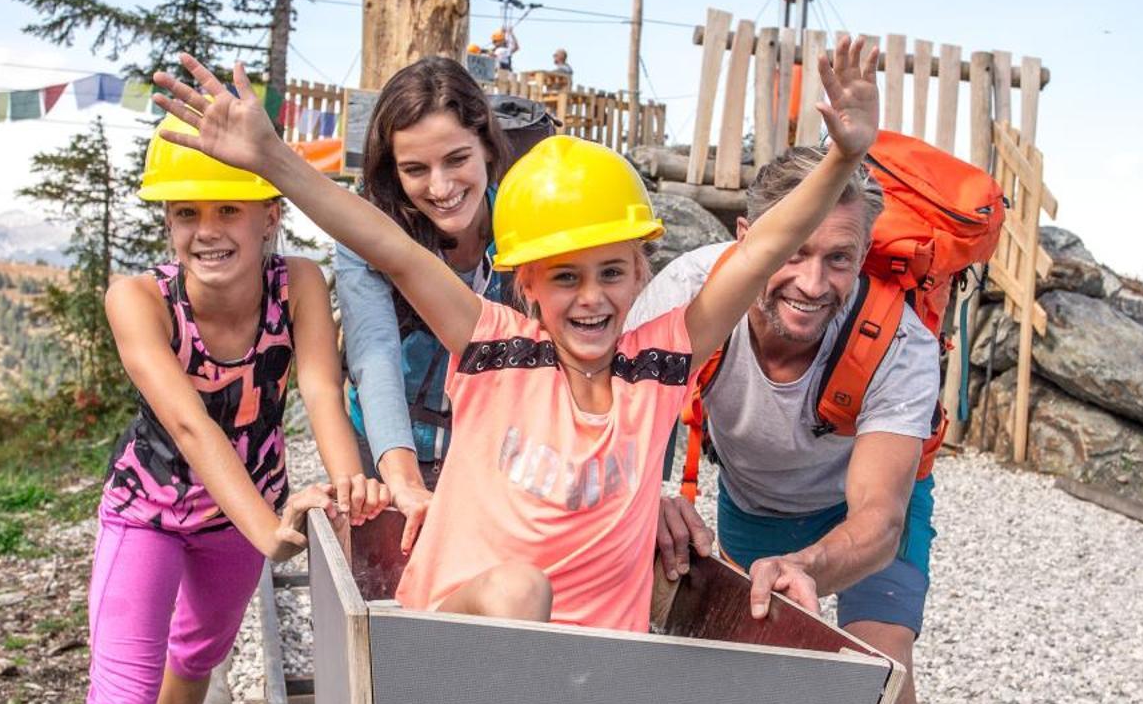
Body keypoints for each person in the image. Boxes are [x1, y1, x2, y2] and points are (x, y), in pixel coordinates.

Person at [150, 36, 880, 631]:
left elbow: (757, 253)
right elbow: (390, 247)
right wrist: (274, 160)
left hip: (586, 676)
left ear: (641, 270)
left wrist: (843, 157)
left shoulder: (659, 364)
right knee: (521, 592)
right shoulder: (496, 348)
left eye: (611, 272)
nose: (591, 298)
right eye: (564, 278)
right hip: (460, 639)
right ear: (524, 283)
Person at [49, 114, 389, 704]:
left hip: (248, 510)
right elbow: (194, 429)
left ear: (270, 211)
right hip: (152, 512)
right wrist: (272, 526)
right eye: (184, 209)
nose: (206, 228)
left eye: (228, 206)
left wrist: (350, 476)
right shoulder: (138, 299)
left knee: (196, 654)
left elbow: (320, 389)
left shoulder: (302, 284)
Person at [635, 150, 940, 704]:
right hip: (751, 498)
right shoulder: (692, 290)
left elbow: (880, 517)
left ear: (863, 257)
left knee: (880, 686)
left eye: (839, 258)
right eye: (794, 250)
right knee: (727, 679)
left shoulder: (901, 340)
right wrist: (654, 493)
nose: (812, 281)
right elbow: (621, 422)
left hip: (853, 513)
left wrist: (812, 564)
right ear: (748, 238)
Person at [335, 57, 514, 540]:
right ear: (394, 173)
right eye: (416, 169)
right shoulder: (367, 234)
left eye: (457, 160)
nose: (441, 188)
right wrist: (403, 480)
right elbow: (374, 354)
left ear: (486, 147)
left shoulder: (523, 225)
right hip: (384, 445)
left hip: (490, 450)